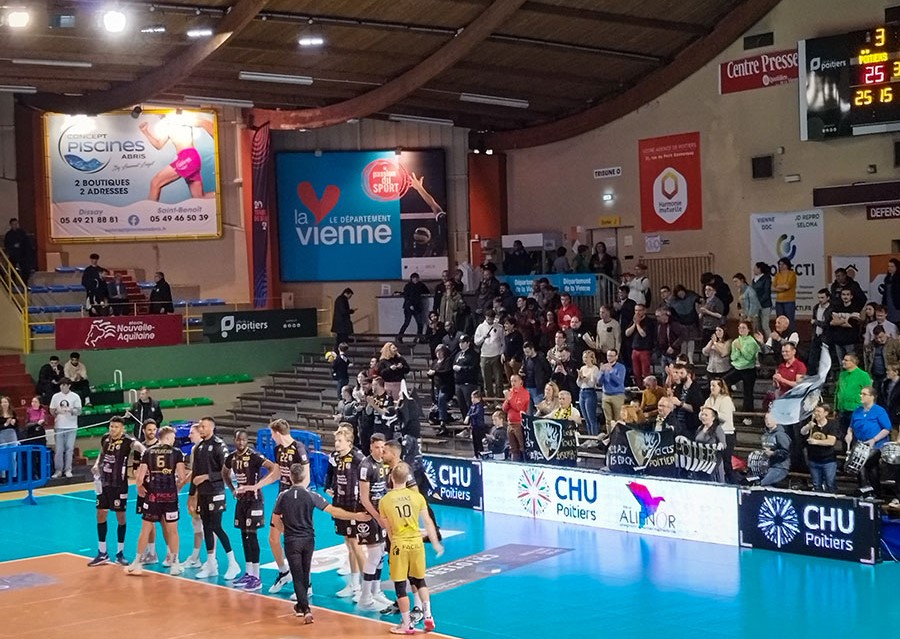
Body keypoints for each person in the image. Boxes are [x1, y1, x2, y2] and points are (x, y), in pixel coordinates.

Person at [273, 463, 367, 624]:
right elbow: (333, 510)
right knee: (305, 571)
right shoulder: (311, 495)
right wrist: (356, 516)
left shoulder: (283, 496)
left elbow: (275, 521)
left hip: (292, 540)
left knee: (297, 575)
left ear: (290, 477)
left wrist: (286, 531)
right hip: (308, 540)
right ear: (304, 478)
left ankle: (306, 609)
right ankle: (301, 606)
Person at [243, 418, 310, 594]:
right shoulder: (278, 449)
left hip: (294, 500)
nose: (271, 437)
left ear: (277, 433)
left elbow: (307, 478)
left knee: (295, 543)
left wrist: (297, 498)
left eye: (272, 434)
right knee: (273, 538)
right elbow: (277, 474)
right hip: (282, 497)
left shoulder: (299, 448)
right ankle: (284, 572)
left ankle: (305, 584)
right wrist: (256, 486)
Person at [377, 462, 444, 634]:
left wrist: (393, 546)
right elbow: (429, 522)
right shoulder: (417, 497)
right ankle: (428, 615)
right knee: (420, 581)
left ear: (391, 478)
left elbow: (389, 528)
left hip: (400, 543)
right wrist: (436, 544)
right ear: (408, 478)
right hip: (416, 543)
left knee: (400, 586)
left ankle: (407, 624)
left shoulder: (385, 501)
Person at [126, 426, 189, 576]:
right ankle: (174, 563)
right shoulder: (176, 453)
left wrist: (140, 488)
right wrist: (184, 482)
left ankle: (138, 562)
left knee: (145, 529)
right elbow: (181, 477)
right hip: (170, 497)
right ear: (167, 437)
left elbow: (139, 477)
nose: (174, 440)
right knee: (173, 531)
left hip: (152, 496)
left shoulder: (148, 452)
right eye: (173, 437)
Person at [225, 429, 279, 592]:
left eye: (244, 440)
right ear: (234, 440)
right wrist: (232, 488)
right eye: (238, 440)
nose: (241, 442)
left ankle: (257, 576)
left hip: (255, 500)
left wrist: (258, 485)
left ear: (247, 441)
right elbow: (224, 472)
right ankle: (248, 573)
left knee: (252, 535)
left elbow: (273, 468)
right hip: (241, 500)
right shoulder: (232, 457)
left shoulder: (254, 456)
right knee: (244, 535)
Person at [88, 416, 144, 567]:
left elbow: (137, 445)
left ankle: (120, 553)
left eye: (116, 427)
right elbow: (102, 453)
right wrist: (96, 464)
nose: (112, 429)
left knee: (121, 517)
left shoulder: (127, 440)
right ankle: (102, 552)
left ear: (122, 429)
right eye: (111, 426)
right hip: (104, 483)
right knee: (100, 514)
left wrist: (146, 451)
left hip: (119, 485)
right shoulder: (106, 438)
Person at [190, 417, 241, 580]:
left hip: (216, 491)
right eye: (200, 426)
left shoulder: (219, 446)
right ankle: (211, 563)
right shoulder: (198, 448)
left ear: (211, 428)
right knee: (206, 527)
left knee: (216, 526)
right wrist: (192, 495)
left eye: (203, 426)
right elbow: (195, 473)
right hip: (203, 493)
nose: (201, 429)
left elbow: (228, 472)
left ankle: (233, 563)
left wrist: (207, 477)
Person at [324, 425, 367, 600]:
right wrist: (330, 488)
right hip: (340, 504)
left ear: (349, 442)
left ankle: (368, 587)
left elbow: (368, 476)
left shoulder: (358, 458)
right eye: (336, 440)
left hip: (354, 505)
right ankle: (354, 584)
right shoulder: (335, 457)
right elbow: (331, 475)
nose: (336, 443)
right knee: (348, 545)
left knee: (356, 546)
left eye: (340, 441)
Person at [138, 113, 216, 200]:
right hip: (189, 158)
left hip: (187, 157)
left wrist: (218, 141)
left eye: (159, 113)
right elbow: (158, 145)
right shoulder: (168, 127)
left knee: (155, 182)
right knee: (199, 197)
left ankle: (150, 212)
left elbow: (205, 123)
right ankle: (224, 194)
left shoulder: (180, 119)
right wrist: (145, 131)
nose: (158, 115)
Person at [357, 434, 393, 610]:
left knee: (381, 554)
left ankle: (376, 591)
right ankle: (365, 596)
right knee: (373, 555)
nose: (380, 451)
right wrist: (377, 516)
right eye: (377, 447)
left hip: (381, 514)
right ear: (371, 446)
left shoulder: (383, 463)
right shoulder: (366, 465)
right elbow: (364, 498)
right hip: (368, 515)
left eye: (382, 447)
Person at [847, 386, 892, 497]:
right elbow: (851, 426)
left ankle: (864, 489)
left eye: (864, 394)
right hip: (861, 444)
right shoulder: (857, 411)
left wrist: (874, 439)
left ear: (872, 397)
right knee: (872, 469)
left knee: (861, 462)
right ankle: (875, 492)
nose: (861, 396)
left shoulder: (879, 411)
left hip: (877, 445)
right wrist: (849, 434)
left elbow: (887, 429)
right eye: (861, 393)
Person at [835, 353, 873, 448]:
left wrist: (867, 408)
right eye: (843, 359)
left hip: (856, 409)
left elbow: (869, 392)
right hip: (842, 409)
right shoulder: (842, 375)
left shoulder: (863, 375)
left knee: (856, 434)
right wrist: (835, 407)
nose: (843, 362)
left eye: (846, 360)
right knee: (843, 433)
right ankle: (845, 453)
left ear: (854, 362)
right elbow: (837, 391)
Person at [703, 379, 736, 483]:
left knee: (726, 462)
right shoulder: (709, 399)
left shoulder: (726, 399)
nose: (711, 388)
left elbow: (725, 417)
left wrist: (711, 412)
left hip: (726, 434)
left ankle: (733, 483)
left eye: (714, 385)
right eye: (711, 385)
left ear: (721, 387)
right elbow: (703, 413)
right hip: (713, 434)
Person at [801, 403, 838, 493]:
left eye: (819, 411)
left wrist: (816, 442)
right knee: (816, 485)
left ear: (825, 413)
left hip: (828, 461)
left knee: (830, 484)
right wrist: (807, 427)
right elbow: (802, 432)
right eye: (815, 411)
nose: (816, 413)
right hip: (813, 460)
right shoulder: (812, 423)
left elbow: (831, 441)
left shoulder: (831, 424)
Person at [725, 320, 759, 413]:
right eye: (739, 328)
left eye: (743, 328)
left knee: (748, 393)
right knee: (723, 382)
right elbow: (733, 357)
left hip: (749, 369)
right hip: (737, 368)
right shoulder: (736, 341)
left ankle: (748, 415)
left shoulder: (752, 342)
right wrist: (737, 351)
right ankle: (728, 406)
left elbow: (749, 357)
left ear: (748, 330)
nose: (741, 330)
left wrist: (740, 348)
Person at [49, 378, 81, 478]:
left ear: (69, 386)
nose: (63, 387)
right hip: (59, 426)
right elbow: (51, 410)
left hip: (71, 426)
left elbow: (79, 411)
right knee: (59, 449)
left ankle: (68, 469)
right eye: (61, 385)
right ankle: (58, 470)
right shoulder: (56, 396)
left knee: (69, 449)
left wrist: (70, 410)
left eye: (65, 385)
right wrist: (56, 412)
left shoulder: (75, 396)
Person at [474, 310, 504, 399]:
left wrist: (501, 352)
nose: (490, 320)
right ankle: (489, 399)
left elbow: (503, 341)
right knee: (487, 380)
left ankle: (499, 398)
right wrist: (483, 338)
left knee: (498, 379)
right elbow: (476, 342)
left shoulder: (499, 327)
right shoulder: (480, 327)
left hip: (496, 355)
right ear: (485, 317)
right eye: (488, 318)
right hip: (485, 355)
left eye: (491, 318)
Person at [693, 407, 726, 482]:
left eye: (706, 415)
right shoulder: (700, 428)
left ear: (713, 418)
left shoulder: (718, 429)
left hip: (713, 461)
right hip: (700, 460)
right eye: (702, 414)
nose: (703, 417)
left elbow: (723, 444)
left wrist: (719, 446)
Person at [625, 304, 655, 388]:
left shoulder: (648, 321)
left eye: (639, 310)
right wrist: (635, 323)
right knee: (636, 372)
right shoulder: (633, 320)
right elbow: (627, 333)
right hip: (635, 349)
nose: (637, 312)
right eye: (636, 310)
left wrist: (638, 324)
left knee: (645, 372)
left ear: (644, 311)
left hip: (645, 350)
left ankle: (648, 389)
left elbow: (643, 334)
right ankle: (639, 388)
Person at [502, 374, 530, 462]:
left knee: (522, 447)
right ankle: (515, 464)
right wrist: (508, 400)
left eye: (515, 381)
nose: (513, 383)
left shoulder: (524, 393)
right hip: (510, 423)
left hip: (519, 423)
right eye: (511, 381)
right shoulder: (511, 393)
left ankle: (525, 463)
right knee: (513, 448)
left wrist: (509, 399)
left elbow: (519, 407)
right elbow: (504, 408)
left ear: (520, 382)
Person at [598, 349, 627, 435]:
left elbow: (619, 381)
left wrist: (611, 371)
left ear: (616, 357)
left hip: (617, 395)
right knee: (608, 420)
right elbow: (599, 383)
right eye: (608, 356)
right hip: (606, 395)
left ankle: (619, 437)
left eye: (611, 356)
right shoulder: (604, 366)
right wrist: (602, 373)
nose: (609, 358)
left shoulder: (621, 367)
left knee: (618, 419)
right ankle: (610, 438)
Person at [759, 413, 791, 487]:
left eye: (771, 419)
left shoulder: (781, 435)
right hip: (768, 466)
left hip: (780, 466)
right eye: (766, 419)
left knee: (763, 484)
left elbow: (786, 452)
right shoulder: (765, 435)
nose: (768, 421)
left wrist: (773, 453)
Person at [397, 273, 429, 343]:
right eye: (414, 278)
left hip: (416, 307)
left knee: (419, 323)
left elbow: (427, 291)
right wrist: (410, 305)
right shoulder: (408, 286)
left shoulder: (420, 285)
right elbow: (407, 296)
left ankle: (420, 338)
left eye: (417, 278)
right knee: (407, 322)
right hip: (409, 307)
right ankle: (400, 337)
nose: (416, 279)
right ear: (411, 279)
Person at [576, 350, 600, 437]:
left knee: (591, 418)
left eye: (586, 357)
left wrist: (585, 378)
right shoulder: (582, 368)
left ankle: (594, 437)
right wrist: (579, 378)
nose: (585, 359)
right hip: (582, 392)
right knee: (586, 418)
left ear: (591, 358)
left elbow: (592, 384)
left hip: (590, 392)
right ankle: (589, 437)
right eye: (584, 357)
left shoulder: (595, 369)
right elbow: (579, 384)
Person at [772, 258, 798, 330]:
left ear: (787, 265)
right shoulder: (777, 275)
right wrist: (782, 287)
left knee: (789, 321)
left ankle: (792, 338)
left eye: (783, 264)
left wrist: (778, 287)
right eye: (779, 264)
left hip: (789, 301)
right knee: (780, 321)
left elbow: (787, 286)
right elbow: (772, 288)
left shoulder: (792, 274)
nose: (781, 266)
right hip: (779, 301)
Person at [751, 261, 773, 338]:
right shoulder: (754, 280)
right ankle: (761, 343)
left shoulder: (766, 278)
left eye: (755, 268)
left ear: (759, 269)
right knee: (757, 326)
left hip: (765, 305)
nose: (753, 269)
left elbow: (766, 293)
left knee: (765, 326)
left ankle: (770, 342)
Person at [0, 396, 19, 482]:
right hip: (2, 434)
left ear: (9, 403)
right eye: (2, 402)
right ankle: (3, 476)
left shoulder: (13, 413)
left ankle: (13, 475)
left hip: (12, 434)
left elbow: (17, 426)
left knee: (13, 456)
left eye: (6, 402)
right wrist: (5, 424)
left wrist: (14, 423)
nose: (4, 404)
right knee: (3, 454)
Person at [464, 390, 487, 458]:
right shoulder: (472, 406)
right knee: (474, 441)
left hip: (479, 426)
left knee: (479, 441)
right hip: (474, 425)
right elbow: (469, 412)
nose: (472, 400)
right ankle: (476, 454)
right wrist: (467, 416)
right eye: (472, 398)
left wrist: (469, 416)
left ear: (479, 398)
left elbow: (477, 413)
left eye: (474, 398)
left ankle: (481, 454)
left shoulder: (480, 406)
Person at [883, 258, 900, 323]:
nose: (889, 268)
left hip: (897, 306)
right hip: (888, 304)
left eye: (892, 266)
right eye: (888, 266)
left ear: (897, 267)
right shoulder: (887, 278)